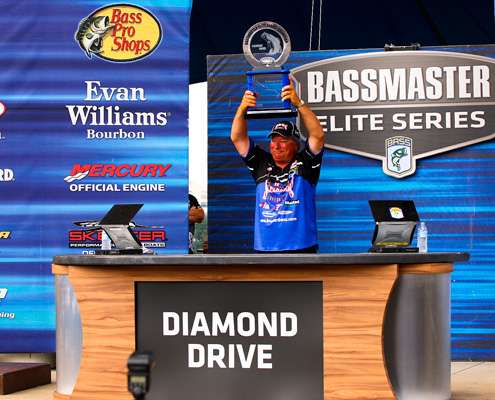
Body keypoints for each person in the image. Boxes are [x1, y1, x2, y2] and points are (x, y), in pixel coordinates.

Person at [230, 77, 325, 252]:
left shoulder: (306, 161)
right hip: (265, 249)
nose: (276, 145)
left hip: (302, 248)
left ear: (296, 145)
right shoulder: (260, 161)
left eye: (283, 141)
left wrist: (299, 103)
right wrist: (242, 109)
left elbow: (317, 135)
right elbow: (237, 137)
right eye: (273, 140)